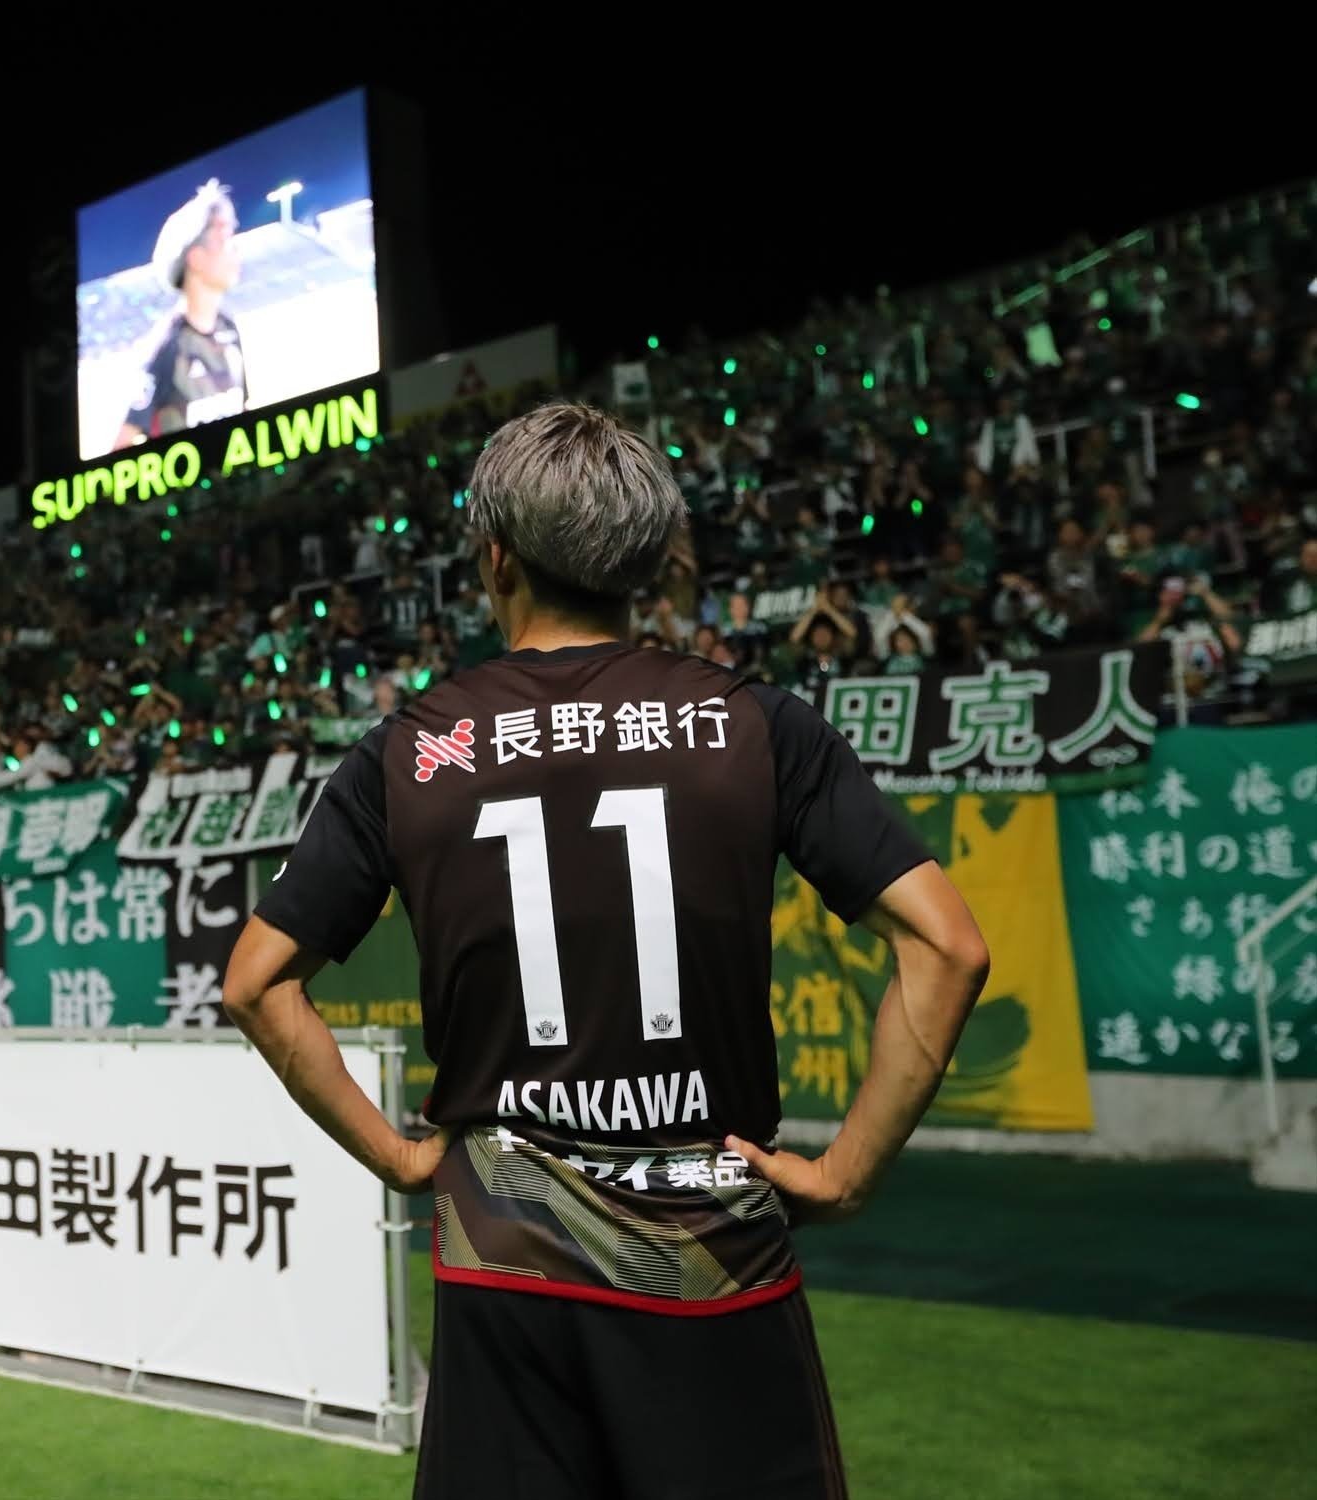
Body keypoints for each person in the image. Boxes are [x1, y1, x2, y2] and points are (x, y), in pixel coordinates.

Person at [222, 400, 989, 1499]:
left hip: (504, 1270)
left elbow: (258, 982)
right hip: (716, 1259)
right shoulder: (757, 723)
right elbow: (949, 948)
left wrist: (398, 1159)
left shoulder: (409, 752)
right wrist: (847, 1171)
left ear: (495, 559)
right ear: (649, 560)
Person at [113, 179, 246, 449]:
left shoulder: (229, 330)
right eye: (224, 239)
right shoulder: (165, 347)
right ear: (195, 257)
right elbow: (122, 444)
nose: (235, 250)